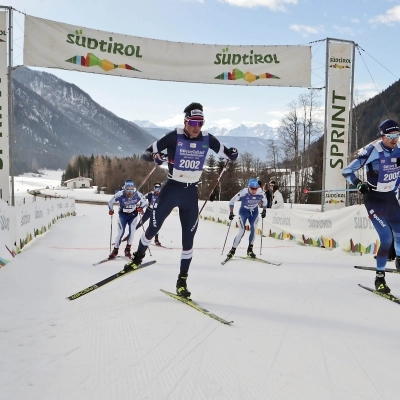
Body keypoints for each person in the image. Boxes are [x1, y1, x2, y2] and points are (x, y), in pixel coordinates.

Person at [122, 102, 238, 299]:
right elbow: (146, 153)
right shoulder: (174, 136)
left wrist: (233, 153)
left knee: (188, 240)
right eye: (193, 122)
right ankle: (137, 258)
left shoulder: (207, 139)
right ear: (185, 121)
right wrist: (155, 157)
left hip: (190, 194)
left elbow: (228, 153)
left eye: (200, 123)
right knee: (153, 228)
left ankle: (182, 282)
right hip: (171, 189)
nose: (196, 127)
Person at [342, 118, 400, 293]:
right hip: (374, 198)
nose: (394, 139)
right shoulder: (372, 151)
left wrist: (395, 188)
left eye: (397, 135)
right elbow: (347, 171)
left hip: (390, 198)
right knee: (386, 238)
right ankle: (379, 279)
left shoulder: (398, 150)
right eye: (390, 135)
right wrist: (359, 184)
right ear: (382, 136)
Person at [226, 179, 268, 259]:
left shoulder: (261, 192)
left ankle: (250, 250)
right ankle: (233, 250)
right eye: (252, 188)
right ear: (248, 187)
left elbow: (265, 202)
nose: (253, 191)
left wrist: (264, 211)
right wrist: (231, 212)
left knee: (253, 230)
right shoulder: (243, 192)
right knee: (242, 231)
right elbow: (231, 201)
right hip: (244, 211)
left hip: (254, 212)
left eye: (255, 188)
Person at [107, 180, 147, 259]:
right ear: (124, 188)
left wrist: (141, 208)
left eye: (131, 190)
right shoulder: (120, 194)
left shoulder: (137, 194)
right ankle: (115, 251)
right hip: (123, 215)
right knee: (120, 233)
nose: (129, 192)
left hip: (133, 215)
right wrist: (111, 209)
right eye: (127, 190)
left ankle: (127, 249)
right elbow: (110, 202)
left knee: (132, 233)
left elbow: (144, 201)